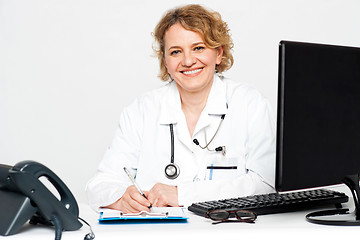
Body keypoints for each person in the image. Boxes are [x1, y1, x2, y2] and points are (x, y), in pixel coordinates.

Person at [86, 4, 276, 213]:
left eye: (199, 48)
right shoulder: (141, 110)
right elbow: (99, 185)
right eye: (176, 52)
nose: (187, 61)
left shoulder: (250, 104)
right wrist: (121, 198)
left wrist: (183, 194)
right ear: (165, 61)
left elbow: (265, 185)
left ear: (219, 53)